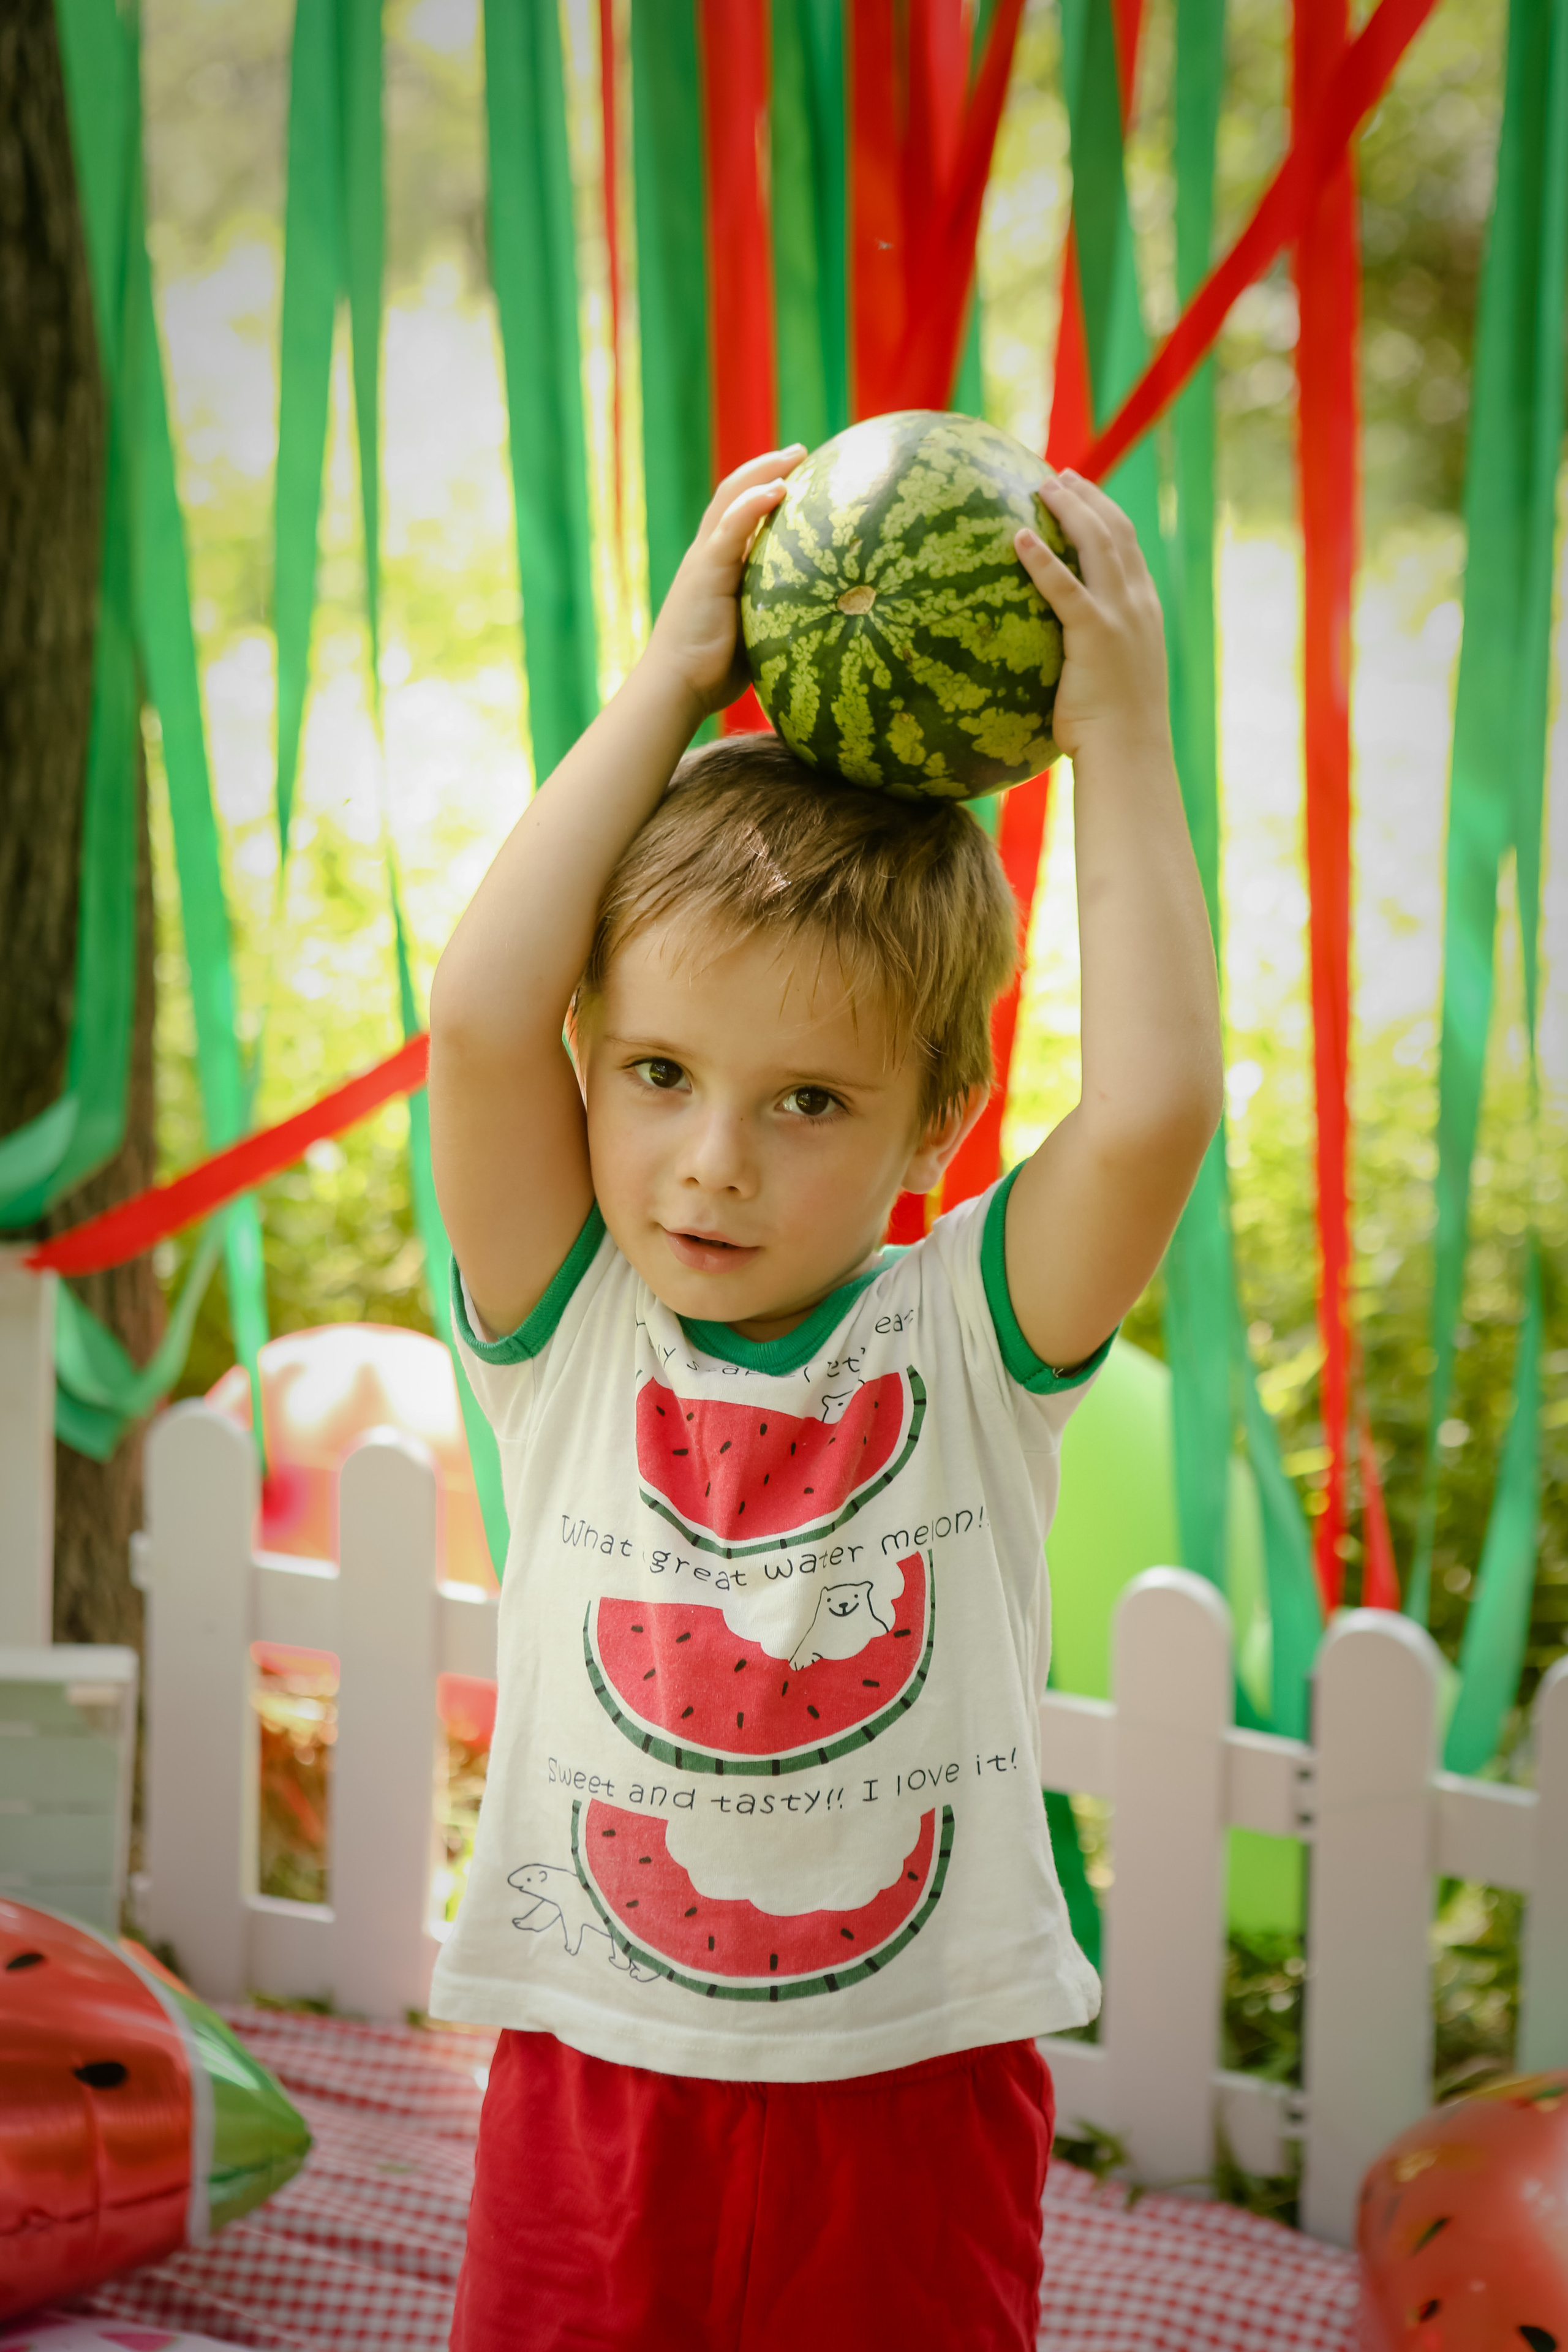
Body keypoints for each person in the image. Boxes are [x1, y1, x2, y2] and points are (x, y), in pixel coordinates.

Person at [427, 445, 1222, 2351]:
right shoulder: (569, 1317)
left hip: (911, 2081)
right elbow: (473, 1017)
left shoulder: (967, 1335)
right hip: (593, 2072)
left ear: (932, 1130)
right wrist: (669, 685)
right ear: (591, 1065)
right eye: (659, 1074)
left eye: (809, 1105)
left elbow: (1154, 1114)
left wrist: (1120, 733)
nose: (711, 1163)